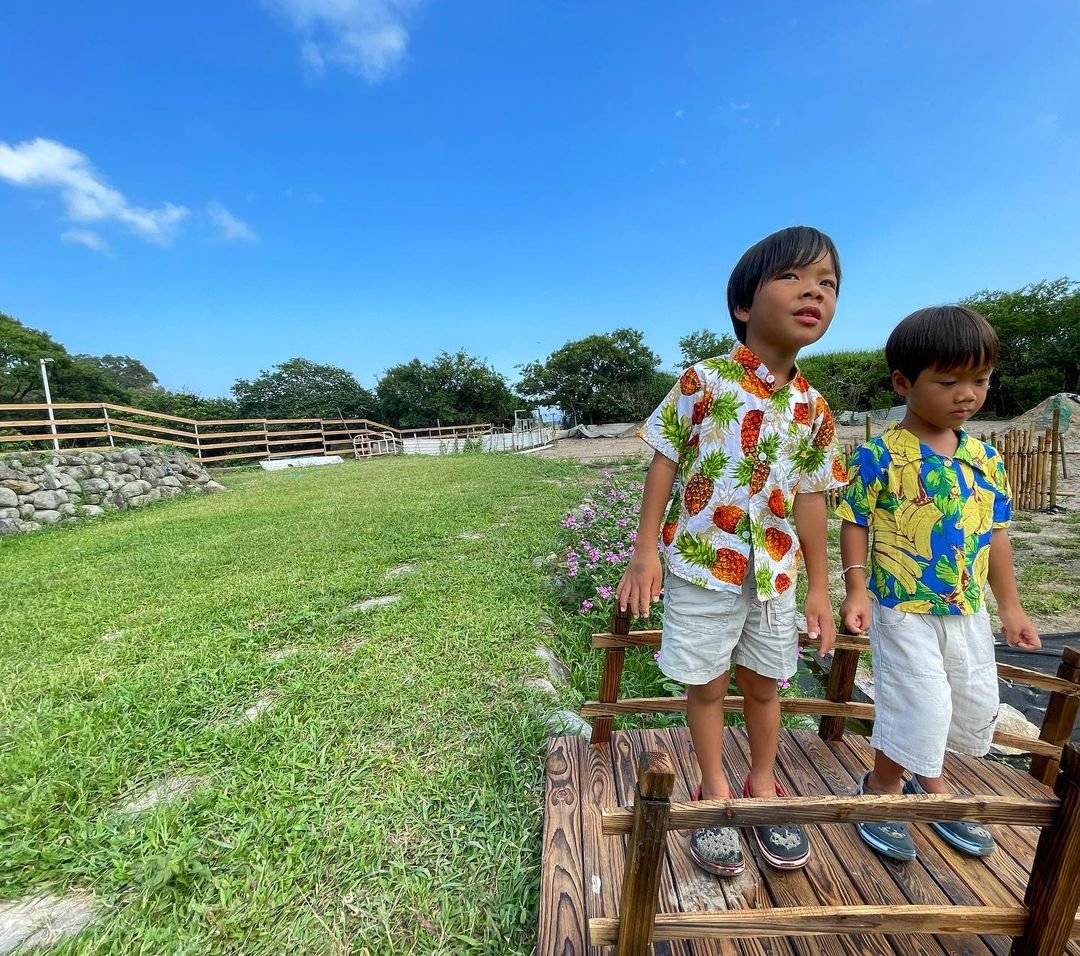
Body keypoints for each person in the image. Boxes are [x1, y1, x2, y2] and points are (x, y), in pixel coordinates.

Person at [618, 225, 847, 875]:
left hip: (776, 577)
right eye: (794, 278)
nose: (814, 293)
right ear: (744, 306)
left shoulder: (813, 408)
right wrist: (645, 552)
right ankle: (715, 789)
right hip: (701, 566)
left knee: (767, 685)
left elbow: (811, 499)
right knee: (710, 685)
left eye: (827, 284)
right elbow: (664, 461)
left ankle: (764, 785)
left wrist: (823, 591)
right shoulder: (703, 382)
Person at [837, 305, 1041, 861]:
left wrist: (1012, 609)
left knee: (964, 702)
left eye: (979, 381)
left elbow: (997, 535)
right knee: (916, 702)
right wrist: (855, 589)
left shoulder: (986, 458)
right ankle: (881, 789)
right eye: (948, 381)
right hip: (902, 606)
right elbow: (854, 522)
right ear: (904, 383)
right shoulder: (880, 457)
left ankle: (929, 780)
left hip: (968, 609)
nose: (966, 395)